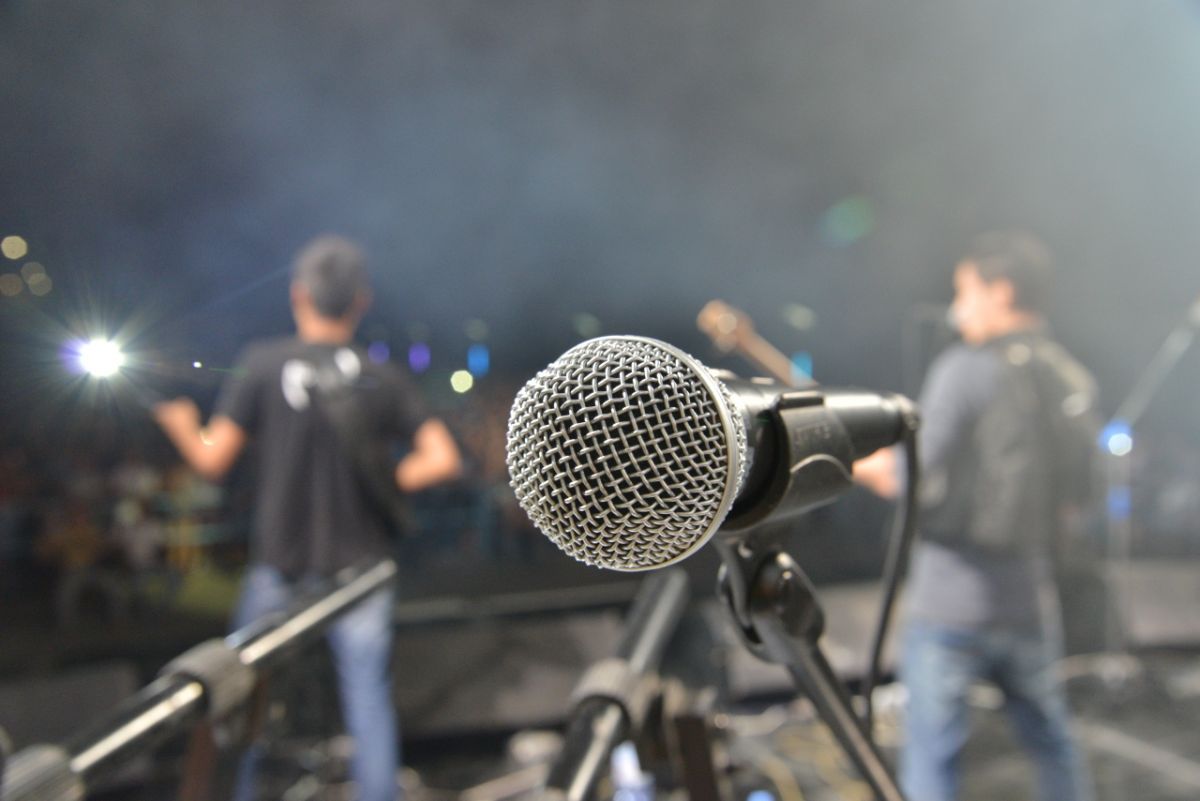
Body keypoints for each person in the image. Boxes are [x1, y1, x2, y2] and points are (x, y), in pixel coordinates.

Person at [155, 235, 461, 801]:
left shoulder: (262, 363)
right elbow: (442, 457)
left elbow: (211, 460)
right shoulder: (379, 375)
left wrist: (176, 421)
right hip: (361, 568)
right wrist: (388, 480)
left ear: (299, 295)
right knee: (367, 700)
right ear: (360, 301)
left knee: (241, 696)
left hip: (280, 562)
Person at [855, 231, 1095, 801]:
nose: (957, 308)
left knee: (933, 760)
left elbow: (900, 477)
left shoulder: (964, 369)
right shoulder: (1070, 377)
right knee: (1053, 743)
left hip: (950, 607)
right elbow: (1073, 503)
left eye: (964, 291)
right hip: (1030, 603)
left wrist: (849, 459)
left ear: (1001, 292)